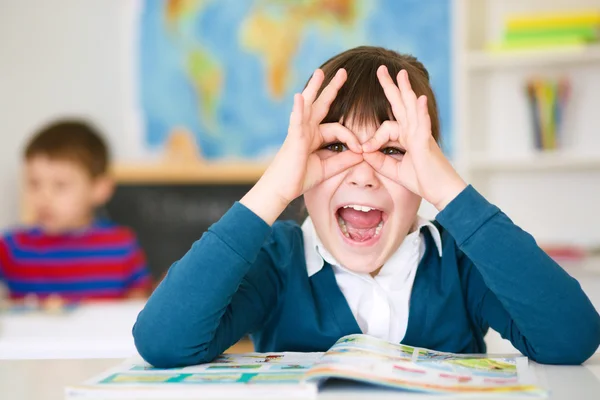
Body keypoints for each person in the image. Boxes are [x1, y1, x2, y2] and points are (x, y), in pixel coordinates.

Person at [133, 46, 600, 367]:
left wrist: (451, 192)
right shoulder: (277, 260)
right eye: (335, 147)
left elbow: (572, 339)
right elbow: (162, 341)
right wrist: (275, 188)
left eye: (393, 151)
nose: (362, 173)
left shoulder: (459, 262)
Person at [0, 120, 152, 302]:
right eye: (34, 183)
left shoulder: (121, 246)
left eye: (60, 186)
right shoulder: (12, 248)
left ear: (99, 189)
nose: (43, 197)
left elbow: (138, 307)